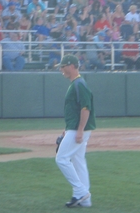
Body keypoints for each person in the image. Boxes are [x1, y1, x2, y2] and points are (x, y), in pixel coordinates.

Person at [56, 54, 95, 208]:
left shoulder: (79, 84)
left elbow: (86, 108)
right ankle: (85, 200)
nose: (61, 69)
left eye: (63, 66)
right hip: (75, 128)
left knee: (61, 158)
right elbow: (76, 109)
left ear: (71, 66)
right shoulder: (76, 84)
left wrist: (79, 130)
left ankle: (80, 191)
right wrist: (68, 129)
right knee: (78, 161)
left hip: (80, 129)